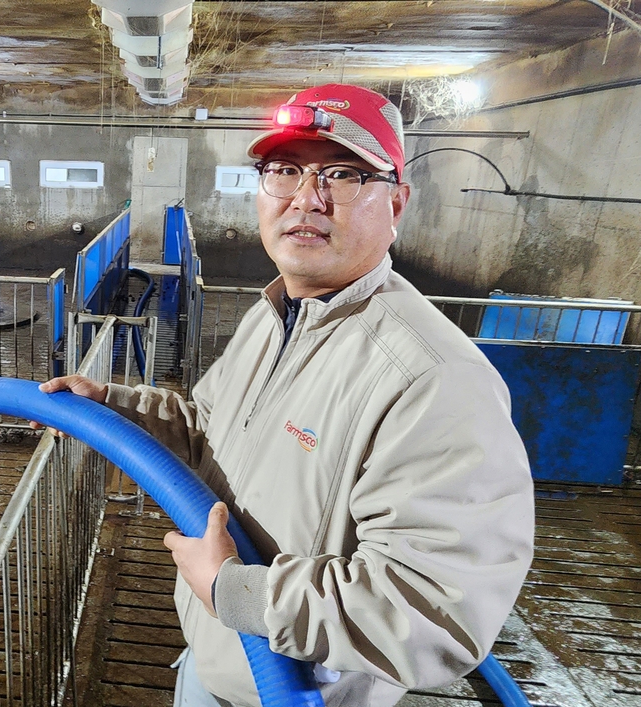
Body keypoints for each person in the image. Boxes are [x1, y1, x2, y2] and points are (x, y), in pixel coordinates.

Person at [37, 84, 534, 706]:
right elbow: (207, 429)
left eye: (343, 175)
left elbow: (434, 611)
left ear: (397, 201)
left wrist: (234, 591)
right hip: (216, 659)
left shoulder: (432, 378)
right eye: (286, 171)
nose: (307, 199)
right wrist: (111, 406)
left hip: (294, 692)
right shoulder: (276, 314)